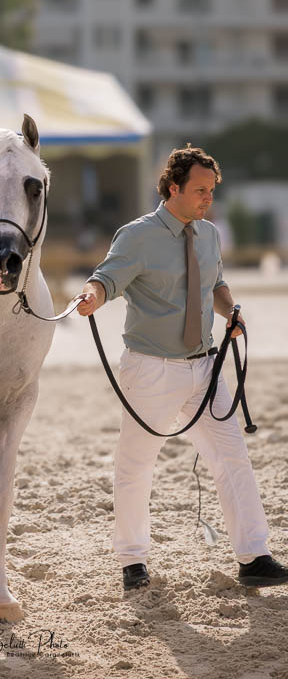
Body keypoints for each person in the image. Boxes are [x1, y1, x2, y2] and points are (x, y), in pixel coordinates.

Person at [77, 145, 288, 591]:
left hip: (206, 367)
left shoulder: (208, 235)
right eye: (200, 190)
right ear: (173, 188)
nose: (208, 199)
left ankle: (254, 557)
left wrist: (231, 310)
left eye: (212, 191)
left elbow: (216, 284)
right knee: (137, 464)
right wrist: (92, 297)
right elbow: (106, 278)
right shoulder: (137, 235)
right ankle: (133, 560)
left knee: (233, 458)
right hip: (151, 369)